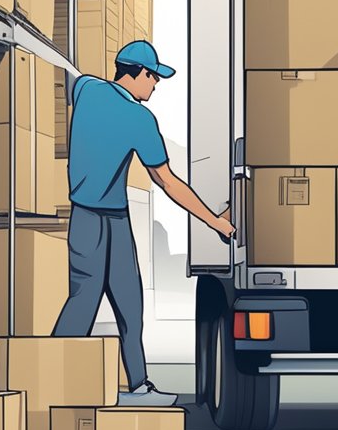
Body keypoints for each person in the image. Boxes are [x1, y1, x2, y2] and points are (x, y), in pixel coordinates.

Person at [54, 40, 235, 406]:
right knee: (95, 305)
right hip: (100, 223)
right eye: (153, 77)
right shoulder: (139, 119)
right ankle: (53, 382)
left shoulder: (88, 88)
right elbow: (166, 181)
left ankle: (137, 385)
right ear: (135, 73)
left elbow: (67, 77)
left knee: (122, 302)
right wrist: (215, 222)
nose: (155, 85)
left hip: (97, 219)